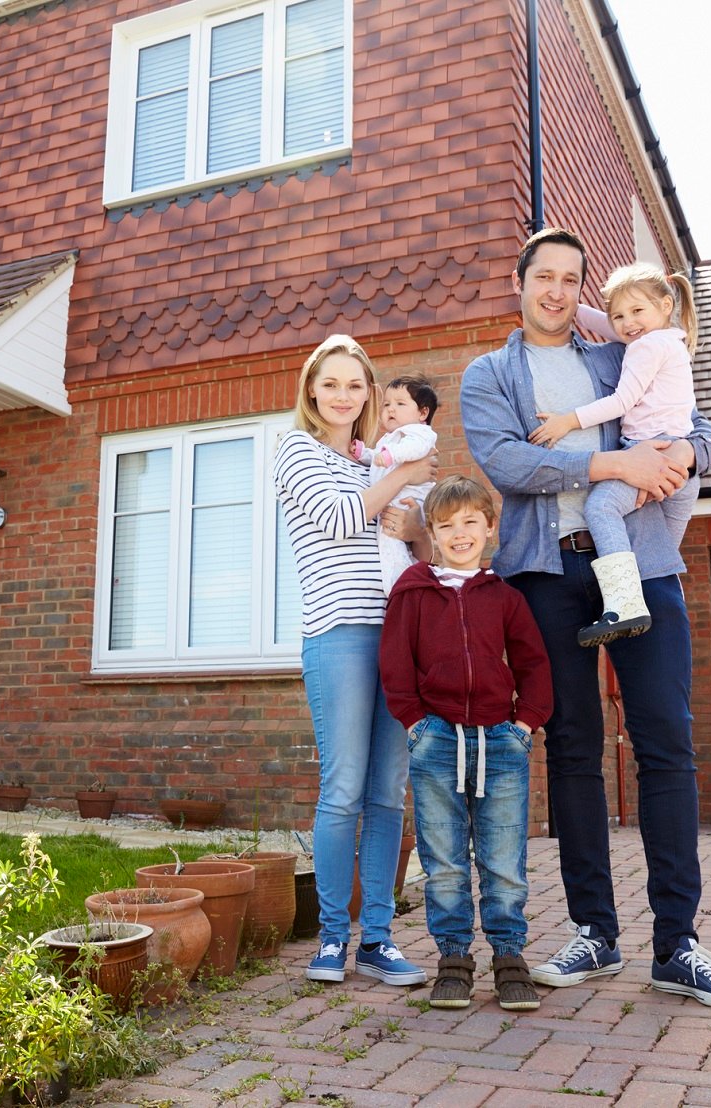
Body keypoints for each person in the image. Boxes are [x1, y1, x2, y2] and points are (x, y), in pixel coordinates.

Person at [459, 228, 711, 1009]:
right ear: (517, 280)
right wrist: (614, 463)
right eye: (543, 277)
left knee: (665, 740)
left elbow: (703, 429)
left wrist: (687, 457)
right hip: (549, 573)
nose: (556, 291)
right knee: (573, 747)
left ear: (582, 291)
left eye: (570, 279)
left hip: (642, 561)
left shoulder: (617, 351)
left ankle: (679, 945)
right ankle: (595, 931)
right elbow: (510, 465)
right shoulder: (489, 374)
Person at [274, 334, 437, 987]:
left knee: (387, 794)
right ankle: (331, 939)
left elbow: (417, 544)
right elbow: (343, 520)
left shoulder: (374, 458)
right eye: (331, 383)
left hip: (397, 633)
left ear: (370, 393)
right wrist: (404, 477)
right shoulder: (297, 449)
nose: (344, 395)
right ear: (312, 390)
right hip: (338, 634)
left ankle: (379, 938)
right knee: (342, 791)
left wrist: (412, 506)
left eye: (356, 384)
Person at [379, 475, 554, 1011]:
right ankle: (453, 958)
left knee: (503, 859)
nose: (460, 534)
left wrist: (526, 724)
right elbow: (395, 663)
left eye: (470, 523)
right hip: (435, 740)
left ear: (489, 527)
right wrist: (414, 722)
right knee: (445, 860)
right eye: (447, 525)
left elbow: (533, 663)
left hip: (501, 743)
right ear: (430, 531)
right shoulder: (412, 591)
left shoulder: (504, 597)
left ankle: (509, 957)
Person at [528, 265, 701, 647]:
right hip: (682, 469)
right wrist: (573, 308)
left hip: (652, 455)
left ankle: (623, 605)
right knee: (659, 564)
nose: (627, 323)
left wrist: (566, 422)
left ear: (665, 305)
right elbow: (610, 327)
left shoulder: (646, 347)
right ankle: (656, 604)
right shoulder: (668, 338)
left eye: (637, 312)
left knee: (601, 509)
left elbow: (623, 400)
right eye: (619, 315)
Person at [354, 374, 439, 594]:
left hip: (406, 500)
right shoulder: (389, 439)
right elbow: (378, 460)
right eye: (387, 404)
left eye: (400, 404)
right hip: (393, 500)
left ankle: (400, 588)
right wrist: (365, 454)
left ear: (423, 413)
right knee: (390, 544)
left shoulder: (420, 433)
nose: (391, 410)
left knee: (391, 542)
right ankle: (401, 585)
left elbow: (415, 450)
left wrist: (392, 455)